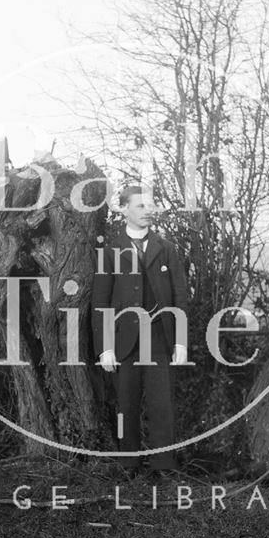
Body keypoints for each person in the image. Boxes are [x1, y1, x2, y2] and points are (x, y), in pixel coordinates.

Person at [91, 185, 188, 477]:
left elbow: (181, 297)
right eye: (140, 206)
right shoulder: (109, 252)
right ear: (124, 209)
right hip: (125, 340)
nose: (148, 211)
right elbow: (100, 301)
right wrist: (105, 346)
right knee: (126, 404)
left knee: (162, 404)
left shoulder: (166, 249)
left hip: (160, 337)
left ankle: (164, 465)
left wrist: (180, 342)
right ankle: (128, 464)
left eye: (150, 205)